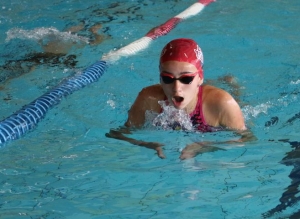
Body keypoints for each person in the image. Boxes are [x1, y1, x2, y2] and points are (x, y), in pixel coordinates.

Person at [106, 38, 255, 159]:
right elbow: (118, 133)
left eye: (186, 79)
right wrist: (146, 143)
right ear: (159, 77)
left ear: (200, 77)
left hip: (214, 100)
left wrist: (204, 147)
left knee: (239, 101)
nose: (176, 88)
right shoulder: (148, 98)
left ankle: (230, 82)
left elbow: (247, 139)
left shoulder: (222, 104)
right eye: (167, 78)